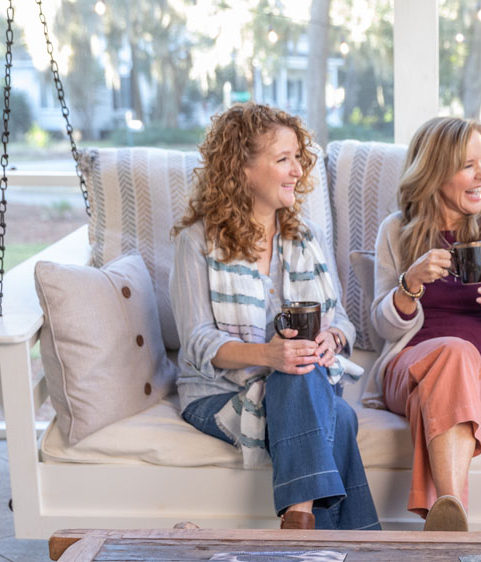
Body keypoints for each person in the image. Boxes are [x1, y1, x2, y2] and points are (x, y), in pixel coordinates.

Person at [169, 103, 380, 531]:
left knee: (300, 372)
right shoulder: (197, 243)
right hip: (216, 393)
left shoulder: (307, 239)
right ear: (242, 169)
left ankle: (298, 526)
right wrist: (269, 355)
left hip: (297, 384)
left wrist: (332, 339)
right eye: (283, 159)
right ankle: (340, 541)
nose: (298, 171)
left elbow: (340, 319)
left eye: (298, 159)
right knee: (337, 417)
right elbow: (197, 341)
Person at [368, 117, 481, 531]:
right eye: (469, 165)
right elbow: (383, 328)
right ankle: (451, 510)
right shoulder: (396, 231)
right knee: (454, 351)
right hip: (410, 363)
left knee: (440, 392)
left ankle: (445, 518)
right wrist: (409, 285)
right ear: (435, 172)